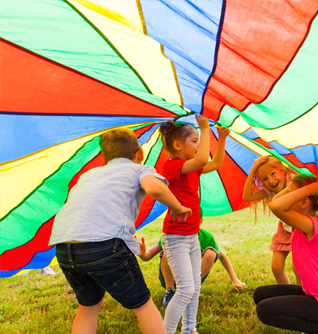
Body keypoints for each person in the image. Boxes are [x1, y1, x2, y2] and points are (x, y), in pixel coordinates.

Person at [48, 128, 192, 334]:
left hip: (64, 247)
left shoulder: (88, 174)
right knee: (143, 305)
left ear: (105, 156)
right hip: (104, 245)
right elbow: (155, 188)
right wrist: (178, 207)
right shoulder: (139, 169)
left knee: (88, 306)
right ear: (140, 153)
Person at [159, 115, 229, 334]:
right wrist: (205, 127)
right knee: (185, 288)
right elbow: (201, 160)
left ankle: (189, 330)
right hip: (175, 236)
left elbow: (215, 163)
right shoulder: (172, 166)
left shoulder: (191, 168)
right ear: (178, 145)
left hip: (191, 235)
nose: (199, 146)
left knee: (194, 287)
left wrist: (223, 139)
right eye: (195, 141)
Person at [254, 175, 318, 334]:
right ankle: (316, 323)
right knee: (260, 295)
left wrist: (308, 189)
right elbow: (275, 204)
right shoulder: (304, 222)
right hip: (312, 294)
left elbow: (276, 206)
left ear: (304, 202)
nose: (287, 196)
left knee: (264, 310)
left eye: (291, 194)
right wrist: (294, 187)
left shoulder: (310, 224)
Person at [137, 228, 246, 307]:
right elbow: (148, 256)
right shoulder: (171, 236)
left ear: (200, 222)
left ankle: (189, 291)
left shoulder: (206, 238)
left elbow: (221, 255)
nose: (188, 226)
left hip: (192, 279)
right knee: (167, 251)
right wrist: (142, 253)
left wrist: (234, 279)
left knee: (211, 253)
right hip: (171, 279)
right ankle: (169, 292)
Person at [243, 155, 298, 284]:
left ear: (283, 169)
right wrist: (252, 171)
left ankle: (301, 295)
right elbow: (247, 196)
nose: (271, 181)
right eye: (265, 179)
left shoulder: (293, 180)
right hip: (285, 229)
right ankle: (287, 295)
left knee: (298, 268)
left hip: (301, 229)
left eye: (273, 173)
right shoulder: (269, 190)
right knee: (276, 268)